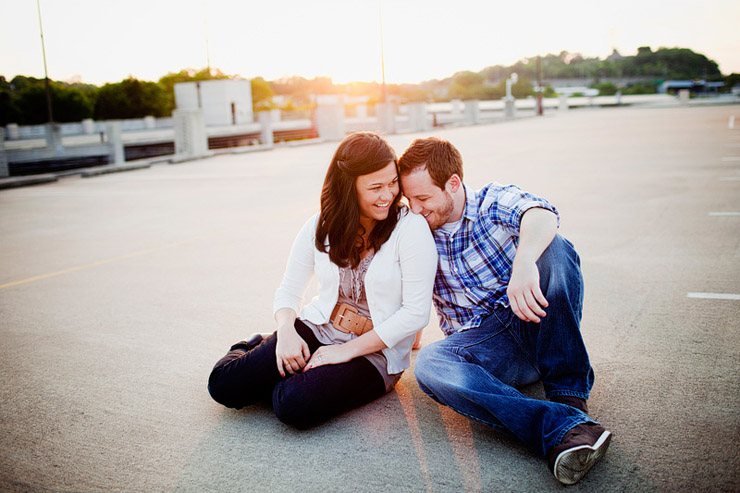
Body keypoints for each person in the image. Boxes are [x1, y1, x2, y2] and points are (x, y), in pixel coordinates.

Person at [398, 137, 612, 485]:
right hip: (488, 350)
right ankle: (562, 426)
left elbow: (542, 214)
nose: (417, 208)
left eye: (423, 198)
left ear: (453, 184)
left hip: (534, 320)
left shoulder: (489, 201)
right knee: (431, 364)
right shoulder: (417, 229)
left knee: (556, 249)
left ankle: (568, 394)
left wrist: (524, 261)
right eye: (410, 199)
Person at [207, 132, 437, 429]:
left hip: (376, 352)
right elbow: (290, 289)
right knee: (224, 386)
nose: (388, 195)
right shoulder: (320, 226)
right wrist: (286, 332)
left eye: (393, 183)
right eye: (376, 187)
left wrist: (344, 351)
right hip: (319, 326)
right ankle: (255, 344)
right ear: (348, 187)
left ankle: (289, 375)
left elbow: (416, 312)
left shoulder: (410, 228)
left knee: (292, 404)